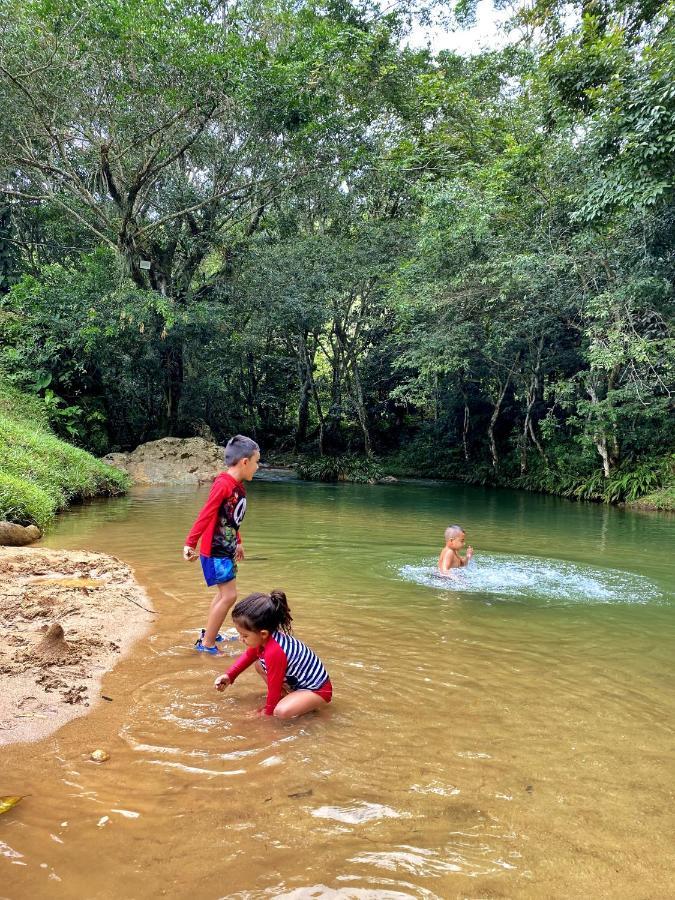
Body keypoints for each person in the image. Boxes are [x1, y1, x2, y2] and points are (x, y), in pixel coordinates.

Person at [183, 434, 260, 654]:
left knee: (222, 594)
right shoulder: (223, 484)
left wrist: (239, 541)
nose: (257, 467)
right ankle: (207, 644)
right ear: (245, 462)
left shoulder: (238, 487)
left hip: (225, 549)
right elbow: (206, 514)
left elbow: (231, 519)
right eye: (256, 462)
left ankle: (209, 633)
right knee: (229, 596)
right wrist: (190, 543)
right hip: (215, 551)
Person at [214, 589, 332, 719]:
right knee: (259, 664)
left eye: (245, 635)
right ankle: (290, 699)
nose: (241, 639)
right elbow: (249, 656)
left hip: (317, 691)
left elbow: (274, 687)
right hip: (297, 684)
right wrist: (229, 675)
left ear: (263, 633)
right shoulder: (265, 639)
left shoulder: (275, 651)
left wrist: (267, 712)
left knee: (280, 712)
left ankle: (308, 706)